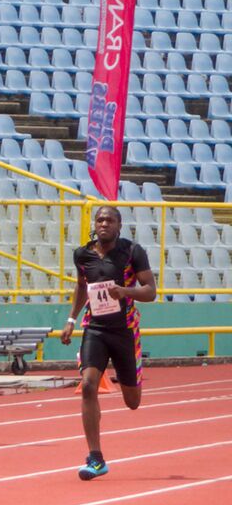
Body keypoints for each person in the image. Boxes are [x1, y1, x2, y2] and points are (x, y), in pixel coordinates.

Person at [60, 205, 155, 481]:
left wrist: (124, 291)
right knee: (89, 385)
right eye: (100, 220)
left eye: (109, 220)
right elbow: (81, 286)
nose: (104, 224)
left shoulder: (132, 252)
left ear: (119, 225)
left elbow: (151, 291)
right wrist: (71, 319)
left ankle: (130, 377)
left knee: (132, 401)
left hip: (125, 331)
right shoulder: (83, 254)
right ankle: (96, 458)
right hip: (95, 329)